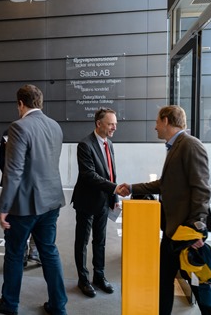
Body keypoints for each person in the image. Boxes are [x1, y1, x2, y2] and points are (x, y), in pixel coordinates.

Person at [120, 105, 211, 315]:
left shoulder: (190, 145)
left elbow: (202, 189)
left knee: (196, 283)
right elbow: (166, 184)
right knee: (165, 279)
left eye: (156, 122)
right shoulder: (176, 146)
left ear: (166, 121)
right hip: (174, 230)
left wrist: (196, 229)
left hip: (186, 231)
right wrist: (132, 188)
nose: (155, 127)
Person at [0, 84, 68, 315]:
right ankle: (58, 305)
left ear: (21, 104)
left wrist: (4, 206)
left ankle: (10, 303)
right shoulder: (55, 126)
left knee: (14, 253)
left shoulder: (18, 127)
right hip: (52, 201)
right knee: (49, 252)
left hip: (24, 206)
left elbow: (13, 171)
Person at [72, 107, 120, 298]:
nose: (114, 128)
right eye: (110, 124)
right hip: (86, 201)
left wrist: (114, 197)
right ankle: (83, 279)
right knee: (82, 241)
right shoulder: (85, 145)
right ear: (99, 124)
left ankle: (99, 277)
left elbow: (111, 172)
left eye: (115, 124)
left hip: (103, 201)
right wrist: (115, 188)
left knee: (100, 241)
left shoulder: (110, 144)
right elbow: (89, 175)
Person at [0, 127, 40, 267]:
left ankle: (32, 253)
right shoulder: (7, 133)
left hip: (30, 186)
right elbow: (2, 160)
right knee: (19, 223)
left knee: (32, 220)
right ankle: (22, 254)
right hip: (19, 185)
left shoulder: (36, 133)